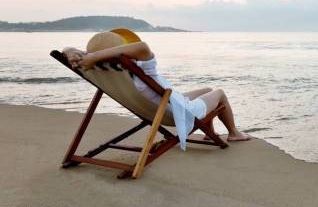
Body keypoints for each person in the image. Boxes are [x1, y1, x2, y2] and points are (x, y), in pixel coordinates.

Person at [62, 30, 249, 149]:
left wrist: (76, 53)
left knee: (207, 88)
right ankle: (234, 133)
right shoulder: (142, 66)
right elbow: (143, 47)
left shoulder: (105, 70)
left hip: (160, 106)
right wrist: (95, 56)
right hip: (176, 112)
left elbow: (66, 49)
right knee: (219, 93)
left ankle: (211, 135)